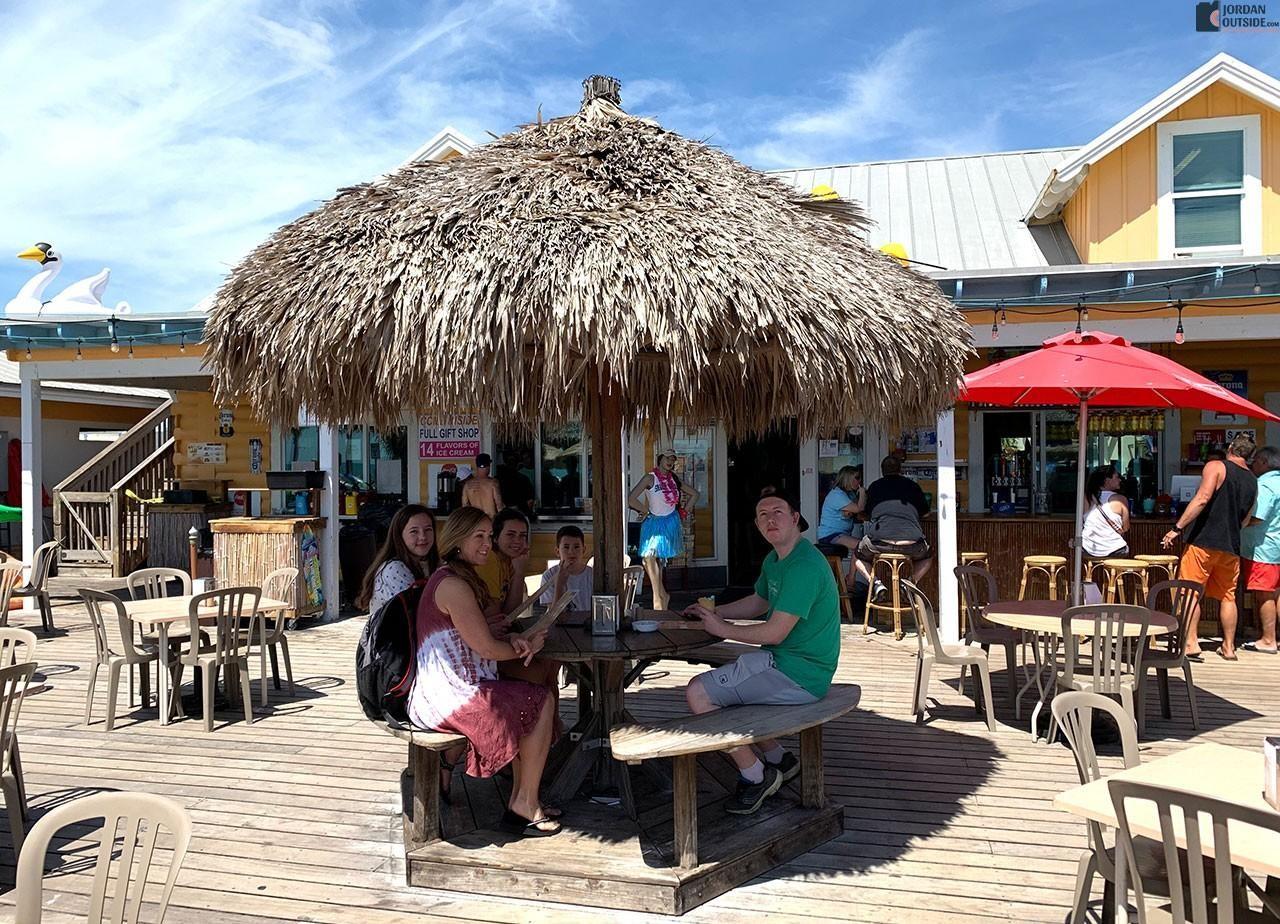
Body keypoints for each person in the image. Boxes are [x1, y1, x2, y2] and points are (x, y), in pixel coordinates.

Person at [408, 506, 561, 836]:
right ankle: (523, 803)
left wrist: (517, 638)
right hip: (447, 696)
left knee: (535, 685)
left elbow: (495, 623)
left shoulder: (462, 578)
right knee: (540, 699)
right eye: (479, 537)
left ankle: (523, 798)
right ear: (457, 540)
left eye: (489, 537)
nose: (486, 544)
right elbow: (487, 649)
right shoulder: (453, 585)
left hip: (457, 683)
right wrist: (526, 645)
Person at [683, 492, 839, 815]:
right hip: (787, 664)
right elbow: (760, 602)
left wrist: (722, 630)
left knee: (699, 693)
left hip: (801, 675)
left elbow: (774, 632)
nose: (770, 519)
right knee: (728, 681)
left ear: (795, 518)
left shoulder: (805, 566)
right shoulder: (776, 560)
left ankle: (756, 776)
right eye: (763, 514)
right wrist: (714, 612)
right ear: (756, 524)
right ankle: (779, 758)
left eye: (778, 512)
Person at [1162, 433, 1258, 661]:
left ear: (1231, 448)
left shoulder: (1216, 466)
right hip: (1231, 544)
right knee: (1228, 597)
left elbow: (1202, 498)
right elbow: (1246, 518)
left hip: (1203, 540)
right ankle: (1228, 648)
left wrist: (1177, 528)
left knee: (1189, 593)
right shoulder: (1253, 480)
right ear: (1250, 456)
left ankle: (1192, 643)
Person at [628, 451, 699, 611]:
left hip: (669, 522)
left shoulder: (674, 479)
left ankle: (659, 598)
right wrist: (644, 511)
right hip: (653, 522)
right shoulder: (650, 477)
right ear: (660, 459)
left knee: (653, 559)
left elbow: (695, 494)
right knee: (649, 558)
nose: (670, 461)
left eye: (673, 459)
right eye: (667, 458)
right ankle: (660, 596)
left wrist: (683, 512)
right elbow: (631, 498)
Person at [856, 455, 932, 584]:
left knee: (858, 556)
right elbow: (925, 514)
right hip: (911, 545)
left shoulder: (875, 487)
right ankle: (909, 583)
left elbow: (866, 514)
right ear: (900, 470)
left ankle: (875, 583)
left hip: (879, 543)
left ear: (882, 471)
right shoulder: (912, 486)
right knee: (928, 557)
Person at [358, 504, 439, 615]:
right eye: (414, 531)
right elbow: (419, 614)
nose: (423, 537)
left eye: (428, 530)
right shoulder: (395, 569)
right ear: (399, 535)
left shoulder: (429, 564)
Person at [1243, 445, 1280, 654]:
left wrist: (1238, 523)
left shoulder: (1265, 485)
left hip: (1264, 547)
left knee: (1264, 594)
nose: (1252, 464)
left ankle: (1268, 639)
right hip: (1277, 544)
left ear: (1264, 462)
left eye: (1255, 460)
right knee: (1277, 592)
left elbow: (1257, 517)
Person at [477, 507, 532, 616]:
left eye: (522, 536)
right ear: (495, 538)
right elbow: (494, 615)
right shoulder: (490, 559)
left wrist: (519, 572)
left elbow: (512, 612)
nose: (517, 541)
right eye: (510, 535)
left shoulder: (510, 562)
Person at [818, 466, 866, 586]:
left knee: (863, 546)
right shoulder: (837, 495)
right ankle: (850, 579)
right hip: (831, 534)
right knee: (860, 546)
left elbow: (858, 514)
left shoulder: (848, 495)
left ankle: (850, 578)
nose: (859, 481)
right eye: (856, 478)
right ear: (848, 478)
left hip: (840, 533)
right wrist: (863, 493)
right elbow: (858, 508)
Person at [1080, 465, 1130, 560]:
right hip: (1115, 550)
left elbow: (1083, 521)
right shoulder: (1120, 499)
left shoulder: (1087, 498)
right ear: (1107, 480)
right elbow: (1126, 528)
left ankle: (1089, 574)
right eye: (1116, 477)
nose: (1120, 480)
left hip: (1088, 548)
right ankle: (1115, 575)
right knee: (1123, 551)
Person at [538, 525, 594, 609]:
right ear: (557, 551)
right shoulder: (549, 576)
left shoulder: (592, 575)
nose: (571, 552)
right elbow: (552, 616)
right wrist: (560, 585)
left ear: (584, 549)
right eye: (566, 547)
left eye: (576, 547)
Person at [496, 450, 535, 516]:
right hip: (520, 513)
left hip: (505, 513)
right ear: (518, 464)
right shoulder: (524, 479)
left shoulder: (498, 479)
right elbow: (530, 501)